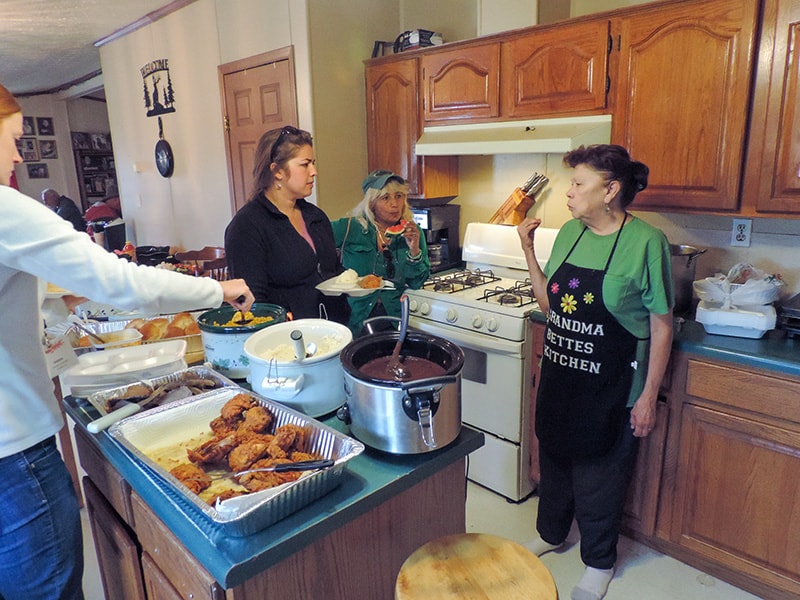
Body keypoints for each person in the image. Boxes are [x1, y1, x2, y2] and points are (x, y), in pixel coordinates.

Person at [0, 82, 255, 600]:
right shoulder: (4, 208)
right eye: (12, 138)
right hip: (14, 456)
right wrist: (218, 288)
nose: (17, 154)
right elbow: (124, 285)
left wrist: (49, 300)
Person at [516, 144, 673, 600]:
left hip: (613, 383)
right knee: (557, 456)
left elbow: (662, 325)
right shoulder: (569, 233)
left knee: (601, 472)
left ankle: (599, 562)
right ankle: (551, 534)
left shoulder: (646, 242)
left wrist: (647, 396)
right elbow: (550, 306)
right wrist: (528, 251)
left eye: (577, 184)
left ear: (611, 190)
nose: (568, 193)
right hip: (563, 374)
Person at [225, 126, 349, 324]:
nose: (314, 172)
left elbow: (331, 271)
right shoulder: (247, 226)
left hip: (333, 332)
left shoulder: (316, 217)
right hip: (287, 342)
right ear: (277, 171)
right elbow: (252, 302)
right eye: (305, 164)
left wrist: (354, 282)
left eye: (313, 163)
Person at [331, 170, 429, 335]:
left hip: (394, 319)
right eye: (385, 198)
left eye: (399, 196)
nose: (395, 204)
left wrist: (414, 250)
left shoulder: (412, 231)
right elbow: (313, 240)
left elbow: (416, 283)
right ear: (371, 203)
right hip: (355, 320)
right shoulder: (350, 227)